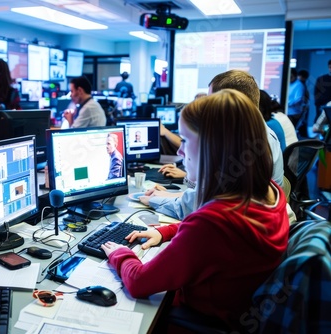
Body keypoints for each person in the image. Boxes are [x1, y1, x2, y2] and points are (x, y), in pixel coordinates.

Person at [101, 89, 289, 330]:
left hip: (195, 321)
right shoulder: (271, 193)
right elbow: (222, 235)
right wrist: (167, 231)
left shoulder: (213, 222)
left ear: (213, 148)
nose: (179, 152)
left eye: (186, 140)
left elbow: (139, 281)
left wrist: (119, 253)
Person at [142, 70, 284, 220]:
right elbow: (211, 194)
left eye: (211, 102)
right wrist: (174, 195)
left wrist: (153, 200)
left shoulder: (246, 145)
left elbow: (195, 207)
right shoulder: (257, 133)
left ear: (228, 103)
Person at [314, 59, 331, 123]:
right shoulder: (321, 79)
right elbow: (316, 93)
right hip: (323, 105)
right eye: (330, 67)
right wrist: (318, 104)